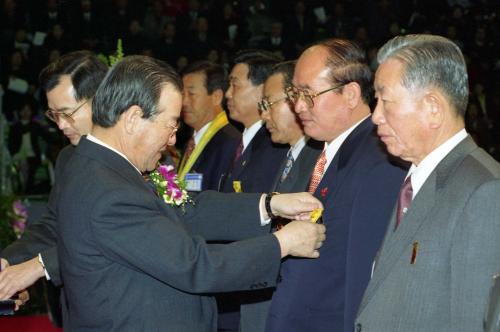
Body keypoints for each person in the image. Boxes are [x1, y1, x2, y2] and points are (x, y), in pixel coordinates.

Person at [56, 55, 326, 331]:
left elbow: (184, 210)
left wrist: (270, 205)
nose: (173, 139)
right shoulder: (109, 191)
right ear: (134, 118)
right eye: (171, 125)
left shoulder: (102, 169)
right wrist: (283, 244)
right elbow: (194, 265)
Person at [355, 34, 500, 331]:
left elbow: (472, 322)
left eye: (386, 100)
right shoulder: (414, 178)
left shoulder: (484, 191)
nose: (375, 115)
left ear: (433, 108)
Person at [265, 39, 407, 332]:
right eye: (294, 94)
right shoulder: (324, 152)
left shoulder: (380, 160)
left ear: (351, 94)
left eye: (308, 94)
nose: (299, 106)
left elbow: (361, 279)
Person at [0, 50, 107, 299]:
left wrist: (37, 267)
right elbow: (51, 225)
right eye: (53, 114)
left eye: (67, 113)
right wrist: (8, 262)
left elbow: (115, 237)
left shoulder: (140, 159)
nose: (60, 125)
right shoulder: (67, 158)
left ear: (100, 100)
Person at [177, 60, 240, 192]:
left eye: (191, 94)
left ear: (216, 96)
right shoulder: (190, 143)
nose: (184, 102)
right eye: (182, 94)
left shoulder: (231, 143)